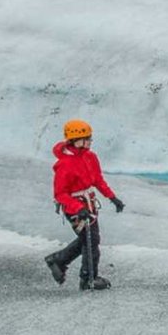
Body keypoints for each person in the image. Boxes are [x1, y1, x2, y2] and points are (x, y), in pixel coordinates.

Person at [44, 119, 124, 291]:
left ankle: (58, 260)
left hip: (89, 205)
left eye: (89, 138)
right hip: (75, 208)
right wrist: (78, 208)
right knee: (91, 240)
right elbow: (60, 194)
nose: (89, 141)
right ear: (75, 140)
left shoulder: (90, 157)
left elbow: (97, 180)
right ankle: (88, 278)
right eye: (86, 138)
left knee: (88, 239)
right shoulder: (64, 164)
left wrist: (112, 197)